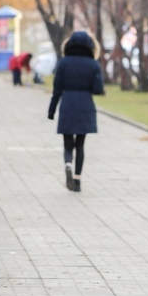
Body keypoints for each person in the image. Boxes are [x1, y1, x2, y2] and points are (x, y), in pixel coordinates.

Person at [47, 31, 104, 192]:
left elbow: (56, 89)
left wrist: (51, 111)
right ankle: (77, 181)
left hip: (67, 105)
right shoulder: (93, 64)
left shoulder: (64, 63)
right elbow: (98, 89)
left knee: (67, 143)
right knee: (80, 144)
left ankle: (67, 164)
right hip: (85, 106)